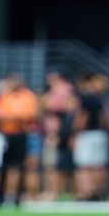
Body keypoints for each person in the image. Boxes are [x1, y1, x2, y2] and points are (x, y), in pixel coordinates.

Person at [0, 73, 40, 206]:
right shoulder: (4, 96)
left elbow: (29, 115)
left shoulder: (27, 96)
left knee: (18, 166)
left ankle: (16, 196)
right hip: (6, 135)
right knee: (2, 167)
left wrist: (11, 117)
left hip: (20, 134)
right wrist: (12, 117)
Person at [72, 73, 109, 201]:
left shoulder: (85, 98)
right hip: (100, 133)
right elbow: (105, 119)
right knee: (99, 165)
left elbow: (83, 117)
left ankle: (86, 193)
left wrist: (75, 133)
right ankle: (99, 192)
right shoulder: (102, 99)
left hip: (87, 134)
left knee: (83, 166)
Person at [40, 70, 78, 201]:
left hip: (58, 134)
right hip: (56, 133)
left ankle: (54, 192)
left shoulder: (64, 91)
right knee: (55, 165)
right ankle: (56, 191)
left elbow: (51, 106)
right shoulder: (58, 91)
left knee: (55, 165)